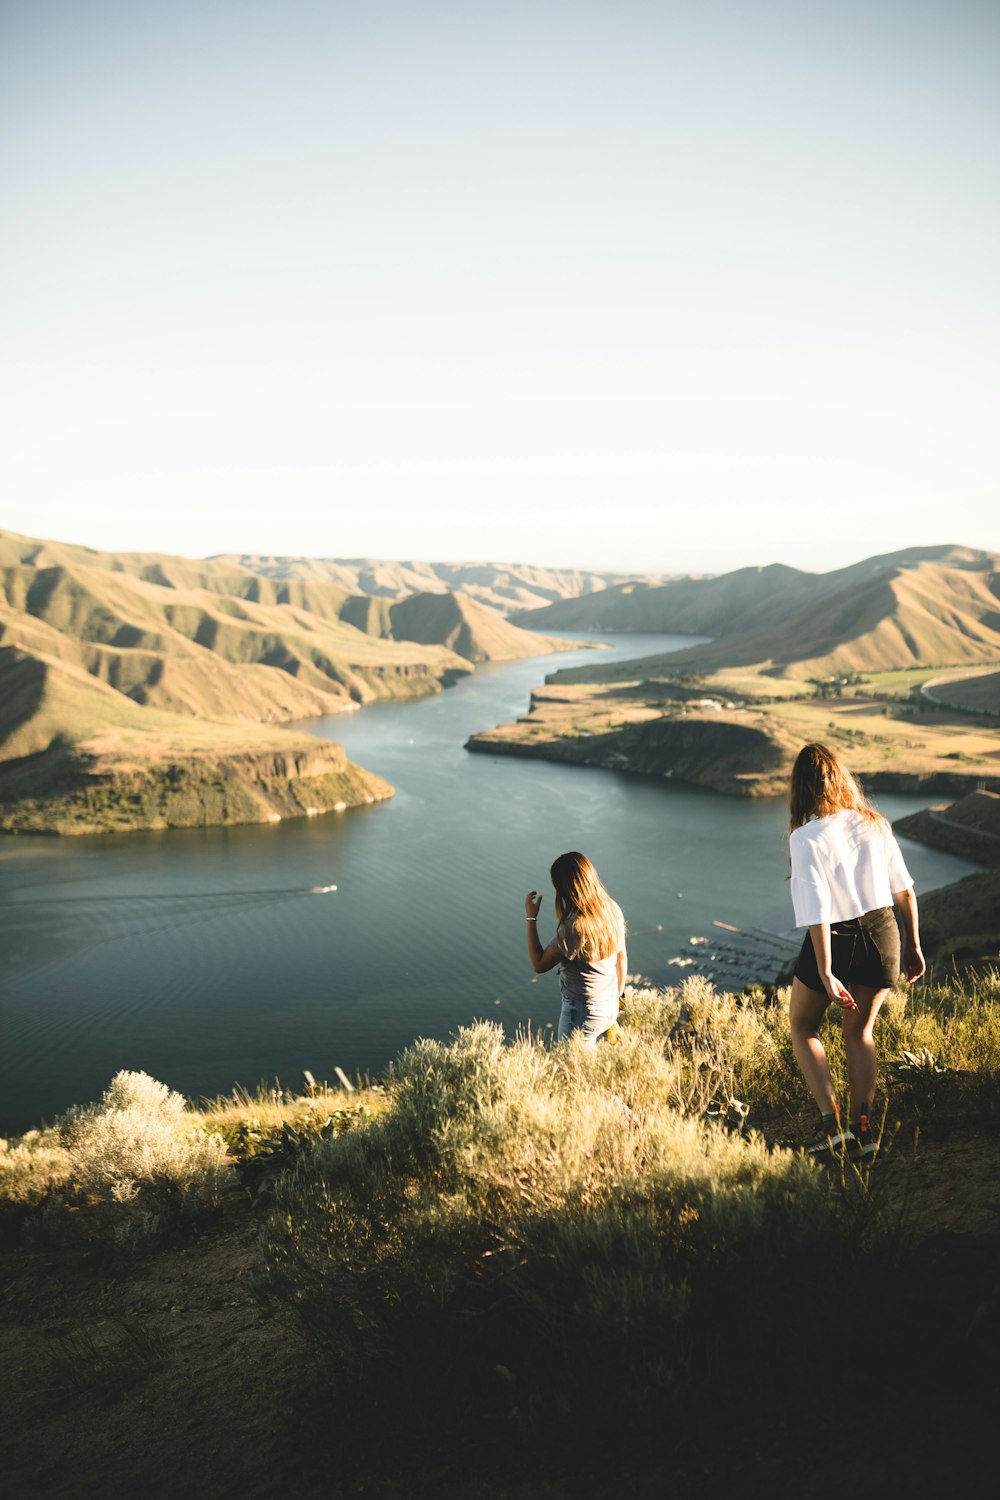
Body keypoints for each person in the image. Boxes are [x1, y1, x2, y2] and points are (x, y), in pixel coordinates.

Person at [787, 742, 925, 1156]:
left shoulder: (805, 837)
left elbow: (818, 910)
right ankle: (863, 1133)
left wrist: (827, 971)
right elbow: (905, 891)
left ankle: (832, 1127)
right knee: (860, 1032)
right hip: (885, 934)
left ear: (802, 788)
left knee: (802, 1027)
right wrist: (914, 945)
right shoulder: (874, 823)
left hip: (838, 938)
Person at [524, 851, 627, 1044]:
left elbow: (539, 964)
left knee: (571, 1069)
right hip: (609, 1006)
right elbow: (621, 960)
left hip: (582, 1013)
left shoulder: (575, 927)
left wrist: (531, 918)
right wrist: (617, 1000)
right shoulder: (612, 909)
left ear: (564, 889)